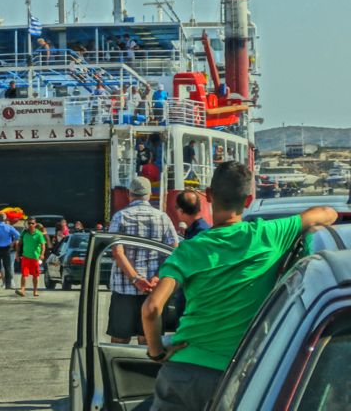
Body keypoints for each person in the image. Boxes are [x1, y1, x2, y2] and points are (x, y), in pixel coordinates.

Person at [142, 161, 338, 411]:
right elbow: (327, 213)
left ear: (209, 196)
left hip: (182, 371)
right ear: (248, 200)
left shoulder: (189, 249)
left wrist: (157, 352)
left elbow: (151, 309)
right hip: (236, 373)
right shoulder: (270, 234)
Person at [107, 177, 178, 344]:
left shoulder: (120, 217)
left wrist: (136, 279)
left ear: (129, 194)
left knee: (120, 340)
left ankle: (119, 369)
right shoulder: (163, 218)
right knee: (149, 340)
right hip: (154, 291)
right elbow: (174, 251)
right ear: (150, 194)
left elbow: (117, 252)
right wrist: (157, 277)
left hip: (124, 290)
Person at [0, 213, 20, 289]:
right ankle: (8, 285)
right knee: (7, 267)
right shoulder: (9, 227)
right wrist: (13, 242)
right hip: (7, 248)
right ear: (5, 219)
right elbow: (18, 235)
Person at [15, 217, 46, 297]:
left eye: (32, 223)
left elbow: (43, 245)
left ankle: (35, 291)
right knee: (24, 274)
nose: (31, 225)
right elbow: (19, 244)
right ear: (27, 224)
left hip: (35, 258)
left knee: (35, 275)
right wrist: (17, 254)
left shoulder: (39, 234)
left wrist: (42, 254)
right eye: (29, 223)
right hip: (25, 257)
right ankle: (22, 290)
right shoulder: (24, 232)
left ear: (35, 224)